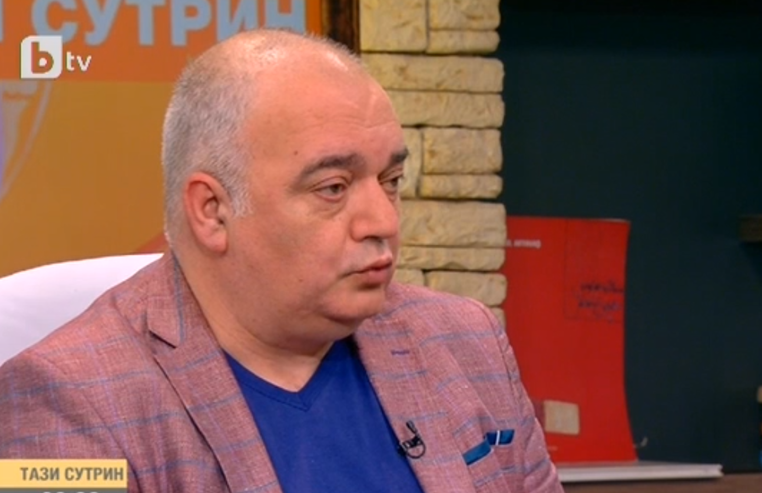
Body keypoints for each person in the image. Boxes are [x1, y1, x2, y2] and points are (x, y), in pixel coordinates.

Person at [0, 29, 564, 493]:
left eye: (390, 180)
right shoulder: (62, 399)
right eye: (333, 187)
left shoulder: (465, 340)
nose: (383, 221)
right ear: (212, 211)